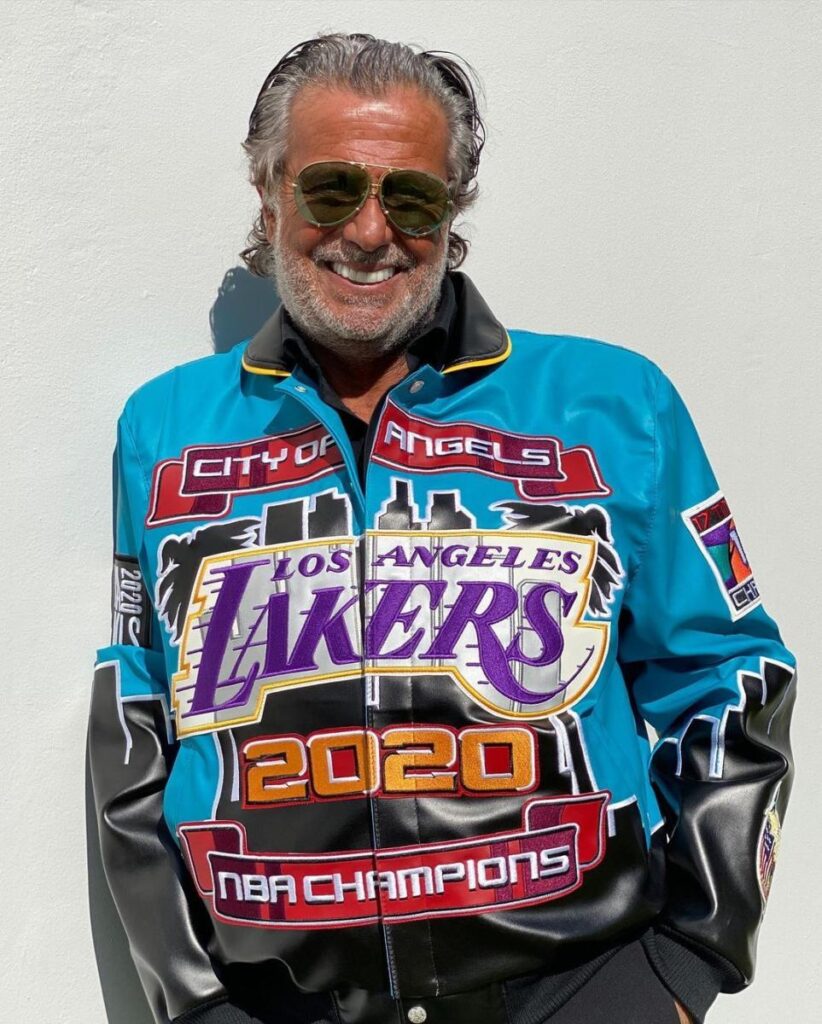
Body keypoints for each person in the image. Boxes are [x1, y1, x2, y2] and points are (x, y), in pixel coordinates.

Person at [88, 32, 796, 1024]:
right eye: (332, 188)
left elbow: (729, 674)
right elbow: (136, 723)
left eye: (412, 196)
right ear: (269, 193)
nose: (371, 231)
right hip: (277, 1003)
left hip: (578, 989)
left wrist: (688, 960)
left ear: (453, 209)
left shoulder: (615, 405)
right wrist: (195, 1004)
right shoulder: (165, 430)